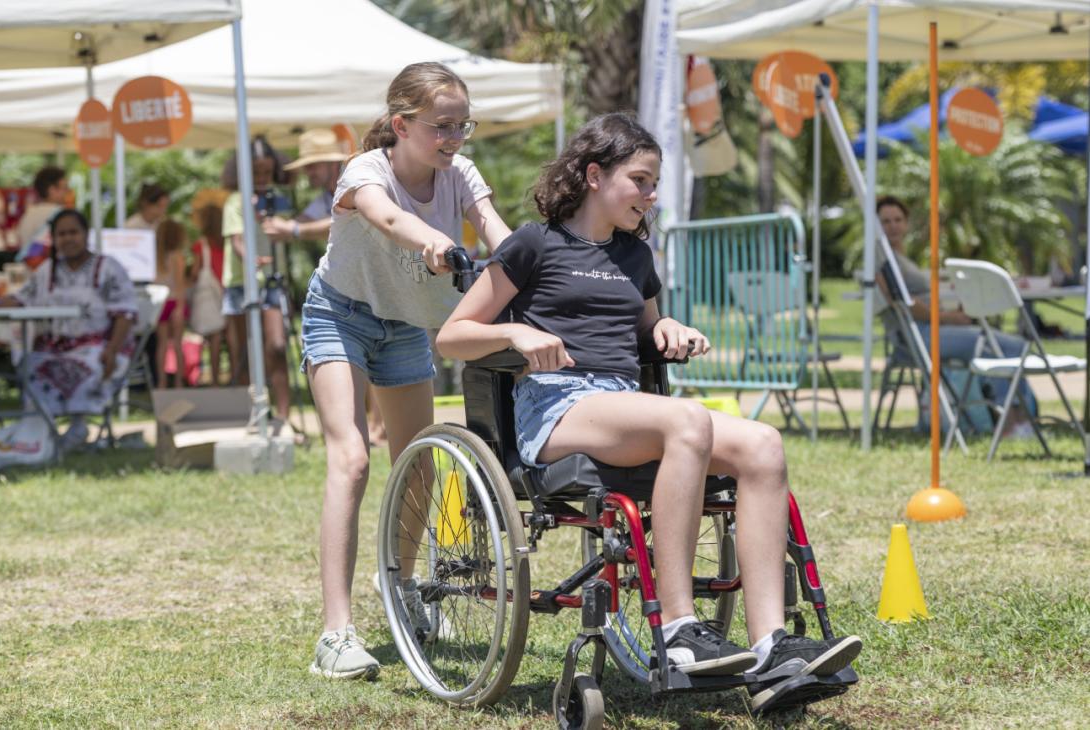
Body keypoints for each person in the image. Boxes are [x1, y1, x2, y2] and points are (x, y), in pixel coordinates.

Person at [437, 113, 861, 695]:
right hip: (555, 407)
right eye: (639, 180)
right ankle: (681, 628)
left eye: (653, 183)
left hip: (623, 404)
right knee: (685, 421)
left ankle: (771, 648)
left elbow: (645, 327)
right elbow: (452, 336)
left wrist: (669, 327)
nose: (650, 194)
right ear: (593, 175)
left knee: (763, 443)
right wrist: (515, 335)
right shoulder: (534, 243)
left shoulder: (635, 257)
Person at [302, 62, 511, 680]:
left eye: (462, 125)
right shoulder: (365, 170)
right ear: (401, 124)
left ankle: (400, 585)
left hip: (406, 327)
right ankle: (335, 634)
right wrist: (432, 241)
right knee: (352, 458)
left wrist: (538, 260)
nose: (454, 138)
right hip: (339, 313)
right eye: (441, 126)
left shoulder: (461, 172)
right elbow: (389, 219)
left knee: (416, 464)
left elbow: (496, 232)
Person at [261, 128, 387, 443]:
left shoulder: (358, 179)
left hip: (381, 278)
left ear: (333, 163)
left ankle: (379, 426)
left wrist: (293, 230)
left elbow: (344, 219)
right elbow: (309, 220)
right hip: (357, 280)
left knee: (381, 349)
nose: (308, 173)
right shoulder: (325, 195)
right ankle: (375, 426)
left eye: (313, 166)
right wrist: (283, 224)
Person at [875, 195, 1037, 434]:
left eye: (898, 220)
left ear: (907, 222)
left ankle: (1018, 419)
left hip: (934, 329)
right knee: (1003, 346)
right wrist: (950, 318)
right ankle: (1011, 423)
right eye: (886, 221)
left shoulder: (901, 257)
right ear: (876, 226)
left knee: (1009, 346)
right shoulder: (881, 260)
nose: (893, 226)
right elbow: (905, 304)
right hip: (918, 337)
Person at [0, 209, 137, 449]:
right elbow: (21, 299)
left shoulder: (108, 268)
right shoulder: (47, 271)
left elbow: (125, 313)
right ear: (54, 238)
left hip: (99, 347)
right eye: (61, 234)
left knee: (89, 365)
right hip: (53, 349)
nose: (68, 239)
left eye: (73, 232)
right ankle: (39, 433)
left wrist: (112, 349)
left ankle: (78, 425)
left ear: (85, 234)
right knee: (30, 366)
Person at [220, 135, 292, 420]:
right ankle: (250, 415)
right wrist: (251, 260)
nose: (262, 178)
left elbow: (288, 228)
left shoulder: (278, 198)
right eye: (256, 172)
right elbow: (236, 240)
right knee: (243, 354)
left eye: (267, 171)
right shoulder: (235, 200)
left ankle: (284, 418)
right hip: (240, 283)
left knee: (276, 346)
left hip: (273, 280)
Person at [189, 201, 227, 386]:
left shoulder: (201, 244)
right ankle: (224, 375)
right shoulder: (225, 242)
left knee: (209, 337)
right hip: (225, 291)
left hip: (209, 295)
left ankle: (210, 379)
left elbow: (196, 272)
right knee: (222, 338)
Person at [154, 220, 187, 389]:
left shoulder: (155, 257)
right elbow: (180, 284)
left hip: (159, 303)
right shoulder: (176, 256)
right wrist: (180, 307)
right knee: (177, 345)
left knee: (162, 344)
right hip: (174, 301)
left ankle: (162, 382)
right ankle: (179, 382)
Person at [14, 166, 69, 268]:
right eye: (64, 188)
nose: (67, 192)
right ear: (52, 190)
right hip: (53, 272)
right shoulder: (63, 215)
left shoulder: (29, 213)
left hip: (31, 271)